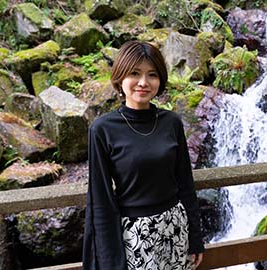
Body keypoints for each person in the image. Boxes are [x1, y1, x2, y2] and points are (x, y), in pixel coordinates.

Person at [83, 40, 205, 270]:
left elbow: (185, 184)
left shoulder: (171, 122)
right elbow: (100, 198)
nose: (143, 82)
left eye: (152, 75)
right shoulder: (102, 129)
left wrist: (196, 239)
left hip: (175, 228)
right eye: (134, 73)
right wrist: (110, 262)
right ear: (120, 78)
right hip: (134, 235)